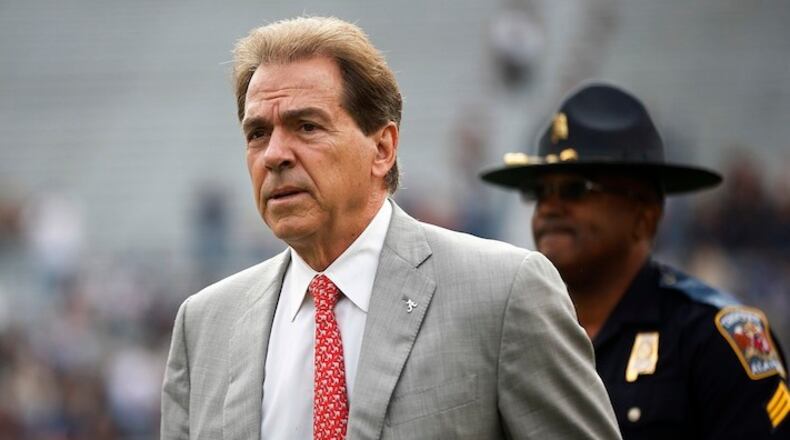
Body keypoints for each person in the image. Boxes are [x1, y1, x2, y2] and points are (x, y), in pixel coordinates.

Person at [160, 16, 621, 440]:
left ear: (382, 148)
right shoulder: (203, 325)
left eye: (306, 126)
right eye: (257, 133)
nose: (275, 154)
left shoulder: (504, 293)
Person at [481, 83, 790, 439]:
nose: (549, 207)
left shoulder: (711, 339)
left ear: (645, 215)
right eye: (541, 192)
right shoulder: (517, 335)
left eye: (575, 189)